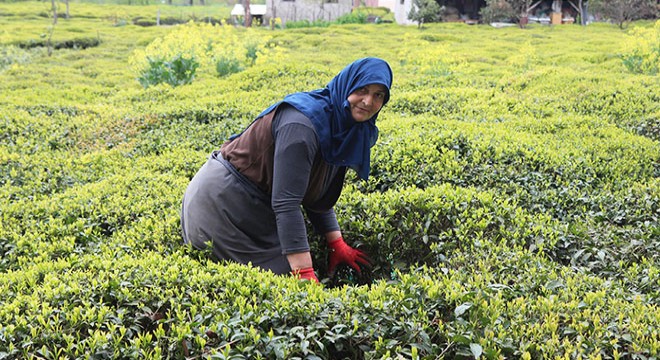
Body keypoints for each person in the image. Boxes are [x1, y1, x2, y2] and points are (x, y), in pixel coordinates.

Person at [180, 57, 393, 283]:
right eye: (362, 90)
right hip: (223, 206)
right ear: (347, 85)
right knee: (280, 282)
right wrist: (304, 274)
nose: (368, 101)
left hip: (257, 206)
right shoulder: (301, 126)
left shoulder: (343, 125)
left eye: (379, 95)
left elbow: (314, 188)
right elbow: (287, 202)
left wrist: (336, 242)